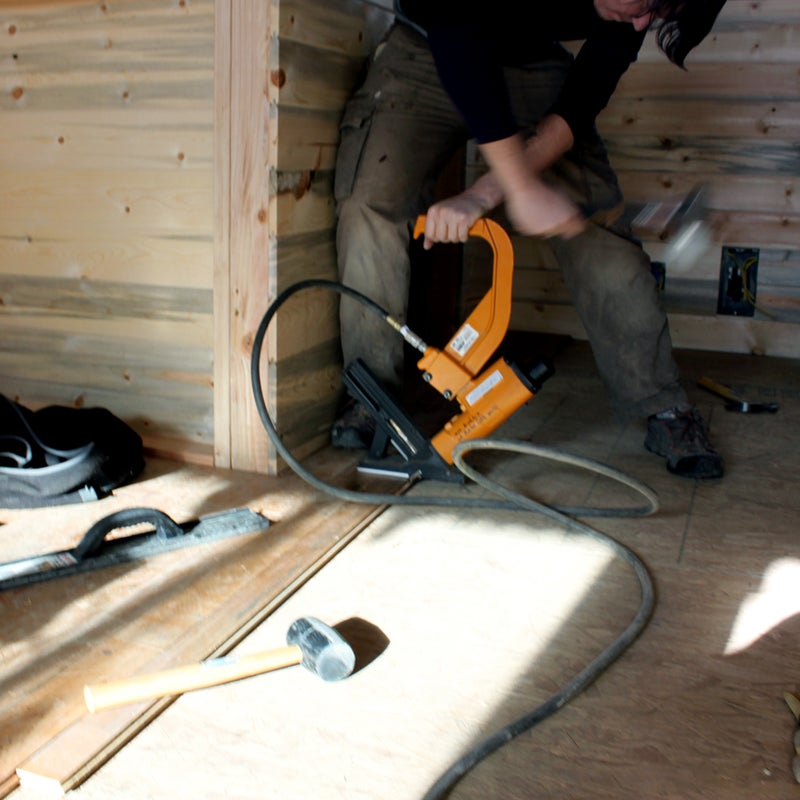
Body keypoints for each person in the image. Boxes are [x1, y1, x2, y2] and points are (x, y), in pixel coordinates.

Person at [332, 0, 727, 479]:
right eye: (649, 5)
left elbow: (581, 98)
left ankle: (662, 404)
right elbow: (456, 27)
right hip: (427, 44)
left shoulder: (630, 13)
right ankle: (370, 395)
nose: (644, 23)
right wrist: (518, 186)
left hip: (532, 61)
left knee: (595, 225)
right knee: (370, 203)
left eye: (658, 18)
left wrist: (487, 192)